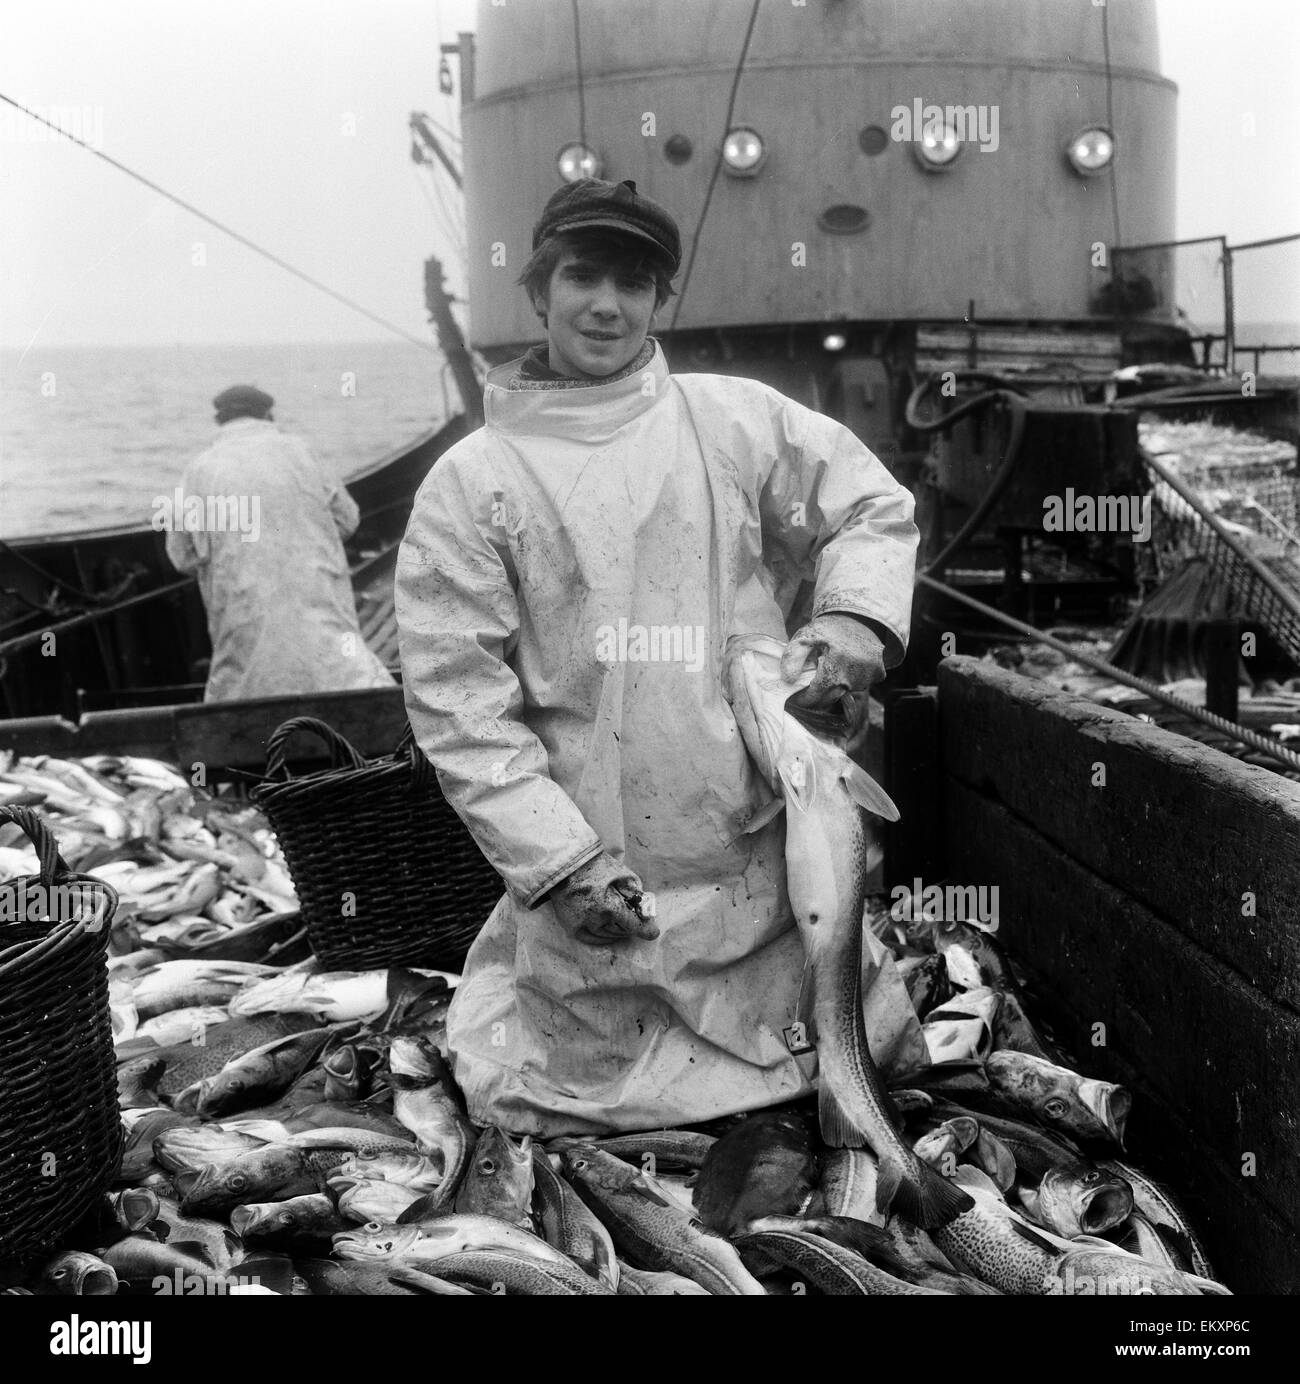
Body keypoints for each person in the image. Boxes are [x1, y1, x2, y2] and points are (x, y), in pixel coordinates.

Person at [395, 178, 920, 1136]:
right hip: (598, 886)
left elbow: (870, 506)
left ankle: (826, 1060)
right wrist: (557, 864)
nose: (607, 303)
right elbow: (459, 706)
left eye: (633, 284)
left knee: (829, 1024)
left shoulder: (734, 420)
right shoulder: (470, 483)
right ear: (538, 292)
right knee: (572, 1097)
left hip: (761, 851)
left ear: (659, 302)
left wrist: (850, 630)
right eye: (583, 276)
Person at [165, 384, 394, 701]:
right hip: (318, 600)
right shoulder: (301, 451)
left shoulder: (199, 471)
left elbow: (182, 557)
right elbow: (348, 519)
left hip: (242, 620)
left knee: (241, 683)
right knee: (343, 668)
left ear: (220, 421)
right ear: (268, 415)